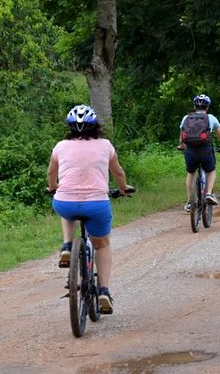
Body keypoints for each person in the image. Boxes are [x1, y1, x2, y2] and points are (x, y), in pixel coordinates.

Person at [46, 104, 133, 315]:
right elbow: (118, 173)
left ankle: (67, 245)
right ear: (96, 126)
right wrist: (123, 188)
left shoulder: (60, 146)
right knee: (102, 245)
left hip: (65, 202)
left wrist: (53, 187)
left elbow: (51, 173)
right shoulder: (105, 145)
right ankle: (103, 290)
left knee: (66, 206)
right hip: (97, 204)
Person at [179, 94, 220, 211]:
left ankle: (189, 202)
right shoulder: (211, 118)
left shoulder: (186, 117)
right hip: (205, 150)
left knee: (191, 173)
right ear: (207, 107)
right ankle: (208, 193)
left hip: (190, 150)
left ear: (194, 106)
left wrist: (182, 146)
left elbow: (182, 136)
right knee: (211, 171)